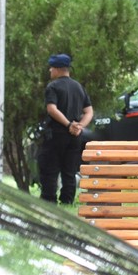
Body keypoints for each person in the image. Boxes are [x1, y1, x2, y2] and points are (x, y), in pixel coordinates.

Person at [37, 54, 93, 205]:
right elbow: (89, 111)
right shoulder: (79, 87)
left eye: (51, 68)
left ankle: (49, 201)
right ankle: (67, 201)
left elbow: (52, 109)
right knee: (69, 171)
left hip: (56, 135)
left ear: (57, 69)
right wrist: (79, 126)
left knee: (50, 169)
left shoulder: (53, 86)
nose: (50, 71)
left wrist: (69, 125)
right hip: (75, 137)